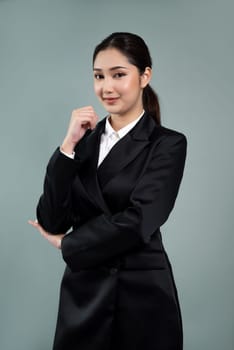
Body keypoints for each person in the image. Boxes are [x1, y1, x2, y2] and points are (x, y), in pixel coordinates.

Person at [29, 32, 187, 350]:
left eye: (118, 75)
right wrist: (67, 147)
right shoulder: (81, 144)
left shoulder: (167, 144)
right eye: (99, 76)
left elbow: (141, 219)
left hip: (141, 295)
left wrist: (69, 244)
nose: (107, 87)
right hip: (84, 293)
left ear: (145, 76)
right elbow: (52, 219)